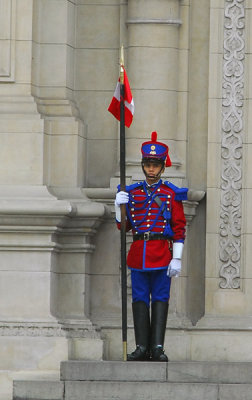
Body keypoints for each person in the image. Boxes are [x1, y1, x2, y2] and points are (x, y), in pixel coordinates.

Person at [115, 131, 187, 362]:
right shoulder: (132, 193)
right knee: (138, 299)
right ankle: (141, 347)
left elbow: (179, 228)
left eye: (155, 165)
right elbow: (123, 227)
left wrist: (177, 257)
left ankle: (157, 347)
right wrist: (118, 207)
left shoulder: (170, 193)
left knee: (160, 298)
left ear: (163, 167)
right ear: (143, 165)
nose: (151, 169)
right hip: (138, 253)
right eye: (148, 164)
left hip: (161, 254)